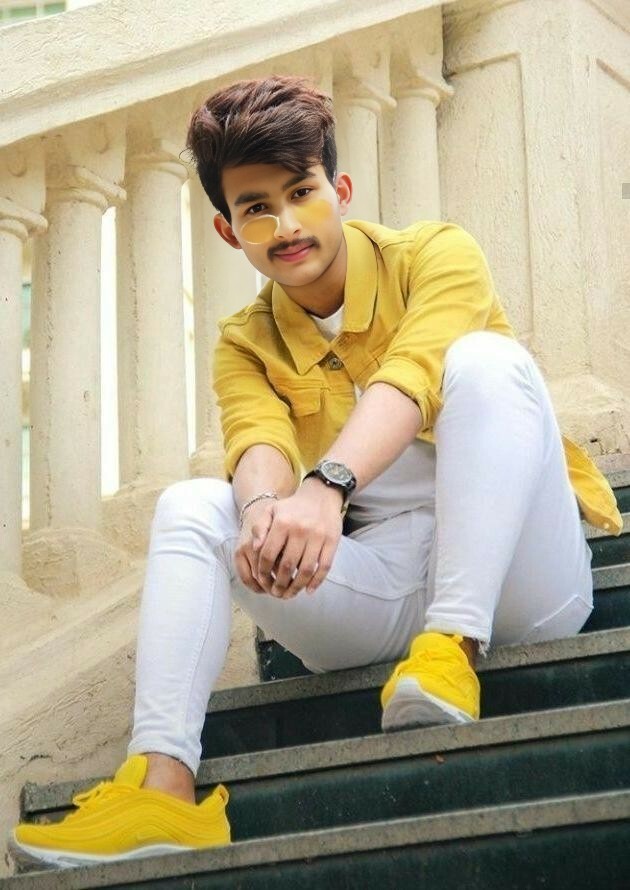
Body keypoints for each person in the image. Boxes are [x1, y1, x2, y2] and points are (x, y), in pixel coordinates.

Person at [10, 74, 622, 869]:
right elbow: (256, 444)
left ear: (340, 191)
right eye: (257, 207)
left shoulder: (436, 255)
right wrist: (265, 514)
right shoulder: (244, 341)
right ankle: (164, 791)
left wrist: (325, 487)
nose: (287, 224)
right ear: (230, 230)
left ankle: (452, 647)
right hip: (383, 586)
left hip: (519, 581)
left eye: (301, 192)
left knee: (486, 360)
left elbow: (412, 375)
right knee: (194, 505)